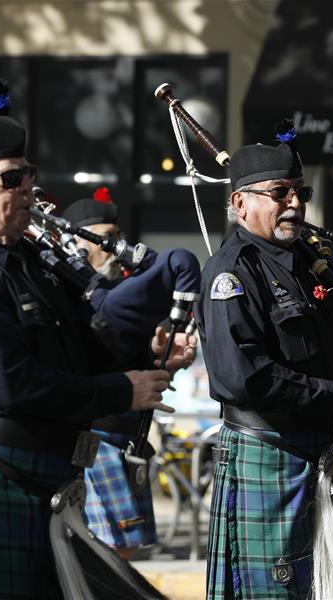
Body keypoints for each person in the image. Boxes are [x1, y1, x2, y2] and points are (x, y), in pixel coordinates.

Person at [0, 116, 180, 599]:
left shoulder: (29, 264)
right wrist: (122, 390)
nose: (28, 188)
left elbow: (83, 350)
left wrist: (148, 358)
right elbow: (11, 381)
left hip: (38, 479)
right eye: (10, 178)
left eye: (29, 174)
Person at [197, 139, 333, 599]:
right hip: (267, 451)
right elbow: (244, 377)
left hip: (317, 453)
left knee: (326, 590)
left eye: (300, 192)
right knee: (275, 591)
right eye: (280, 193)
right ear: (240, 203)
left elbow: (330, 354)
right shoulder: (231, 274)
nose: (294, 202)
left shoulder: (308, 267)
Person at [61, 191, 199, 559]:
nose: (114, 246)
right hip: (94, 434)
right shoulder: (69, 290)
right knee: (102, 552)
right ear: (77, 240)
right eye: (103, 236)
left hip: (126, 433)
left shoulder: (120, 290)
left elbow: (126, 358)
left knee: (124, 551)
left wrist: (163, 359)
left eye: (117, 236)